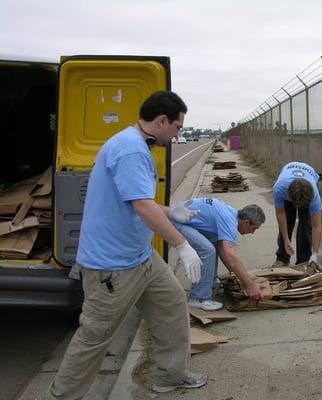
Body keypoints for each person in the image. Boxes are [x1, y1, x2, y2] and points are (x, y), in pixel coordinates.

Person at [45, 91, 207, 399]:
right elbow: (143, 206)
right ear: (162, 121)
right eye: (177, 127)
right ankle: (59, 397)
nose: (178, 134)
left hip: (141, 258)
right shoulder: (131, 150)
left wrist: (171, 212)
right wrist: (182, 244)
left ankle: (170, 376)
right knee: (95, 336)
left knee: (172, 306)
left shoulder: (133, 144)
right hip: (113, 268)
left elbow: (138, 201)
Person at [169, 198, 265, 311]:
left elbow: (222, 249)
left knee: (213, 243)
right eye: (254, 228)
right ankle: (198, 298)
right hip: (178, 220)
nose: (253, 232)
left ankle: (210, 282)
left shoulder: (231, 214)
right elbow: (231, 257)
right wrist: (250, 285)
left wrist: (238, 276)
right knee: (208, 250)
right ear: (247, 222)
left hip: (181, 217)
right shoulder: (230, 222)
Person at [272, 162, 322, 266]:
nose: (298, 207)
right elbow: (281, 214)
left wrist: (315, 254)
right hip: (288, 184)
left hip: (309, 178)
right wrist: (286, 239)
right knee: (288, 220)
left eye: (301, 205)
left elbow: (316, 226)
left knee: (305, 224)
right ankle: (282, 258)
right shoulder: (279, 189)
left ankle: (304, 260)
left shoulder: (314, 196)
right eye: (297, 204)